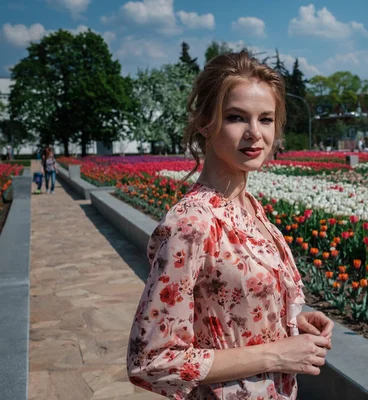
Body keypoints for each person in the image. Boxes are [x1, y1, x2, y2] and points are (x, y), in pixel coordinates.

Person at [127, 51, 334, 400]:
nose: (255, 134)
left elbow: (224, 308)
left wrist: (286, 321)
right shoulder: (191, 223)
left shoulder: (250, 208)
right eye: (237, 117)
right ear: (206, 121)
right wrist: (278, 353)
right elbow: (151, 361)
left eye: (266, 119)